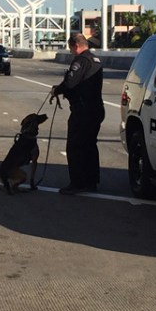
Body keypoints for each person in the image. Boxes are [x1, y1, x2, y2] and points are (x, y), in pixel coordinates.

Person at [48, 33, 104, 195]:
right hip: (96, 109)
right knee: (90, 146)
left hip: (82, 111)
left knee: (75, 147)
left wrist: (56, 91)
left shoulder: (80, 61)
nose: (71, 51)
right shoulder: (95, 60)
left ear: (76, 46)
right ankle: (91, 181)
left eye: (71, 48)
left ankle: (78, 182)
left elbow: (70, 83)